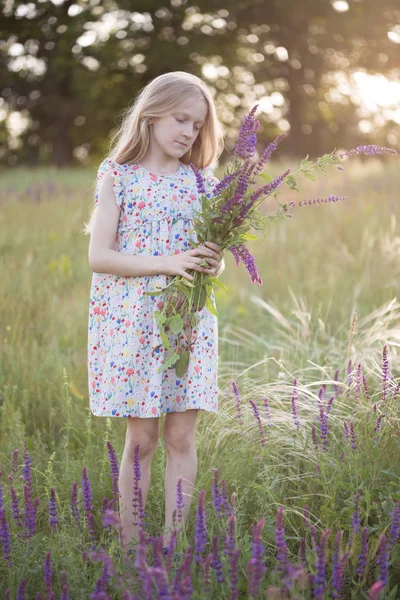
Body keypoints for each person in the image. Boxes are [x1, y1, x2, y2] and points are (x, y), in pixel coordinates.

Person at [84, 71, 225, 556]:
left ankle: (176, 542)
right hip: (132, 321)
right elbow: (99, 256)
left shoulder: (201, 182)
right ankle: (130, 547)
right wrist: (166, 263)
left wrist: (213, 258)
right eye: (180, 118)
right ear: (151, 113)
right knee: (142, 437)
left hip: (186, 322)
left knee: (181, 434)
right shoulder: (117, 175)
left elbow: (212, 254)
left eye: (197, 124)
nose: (188, 131)